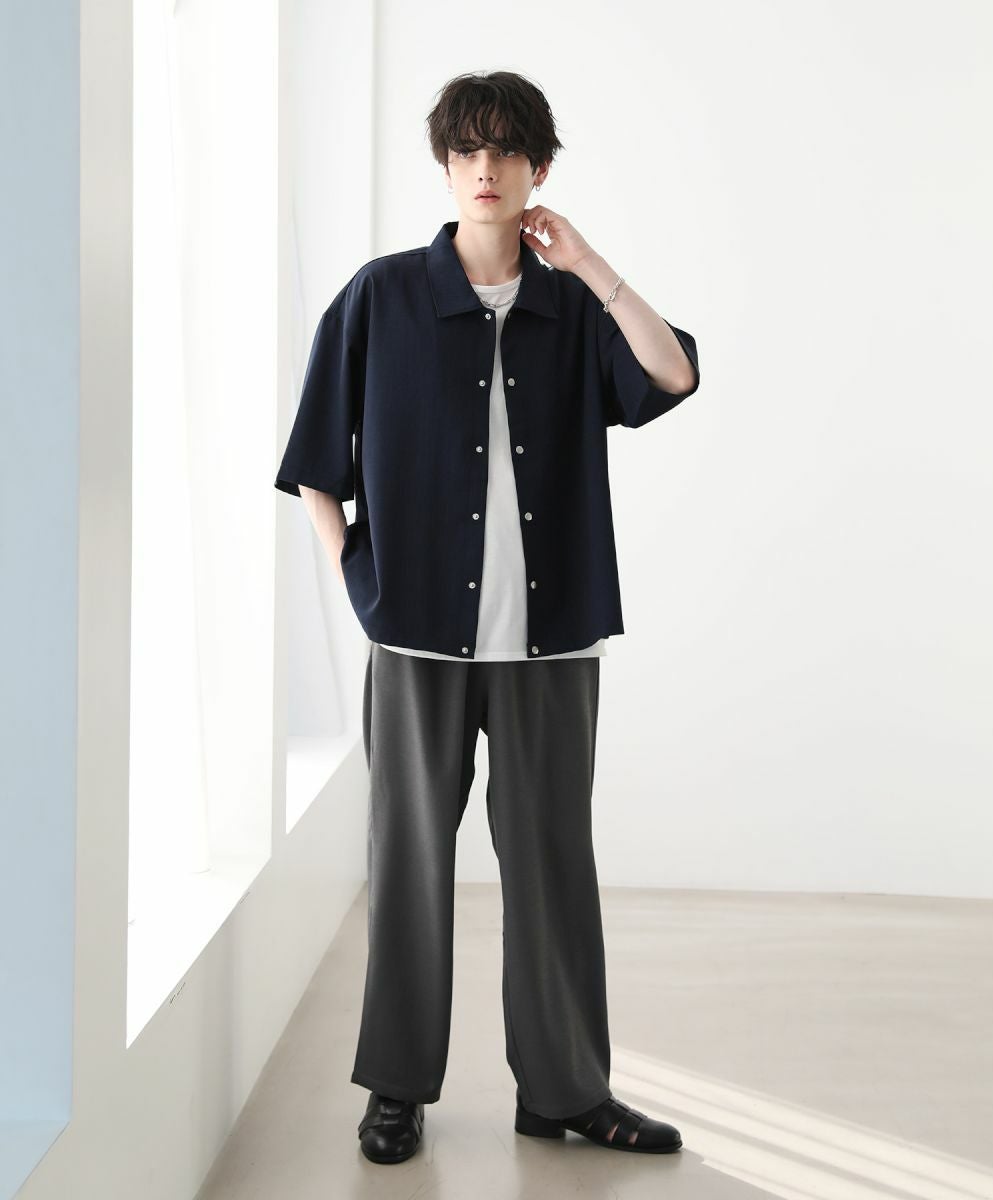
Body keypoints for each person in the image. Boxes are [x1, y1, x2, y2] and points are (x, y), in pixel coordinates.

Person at [275, 70, 700, 1166]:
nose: (485, 168)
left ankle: (565, 1091)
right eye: (466, 150)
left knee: (553, 861)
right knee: (410, 864)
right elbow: (317, 462)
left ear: (537, 170)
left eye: (507, 150)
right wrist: (360, 579)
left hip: (549, 642)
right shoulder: (381, 297)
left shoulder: (572, 308)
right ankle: (396, 1091)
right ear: (445, 165)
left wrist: (591, 265)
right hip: (414, 636)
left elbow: (670, 373)